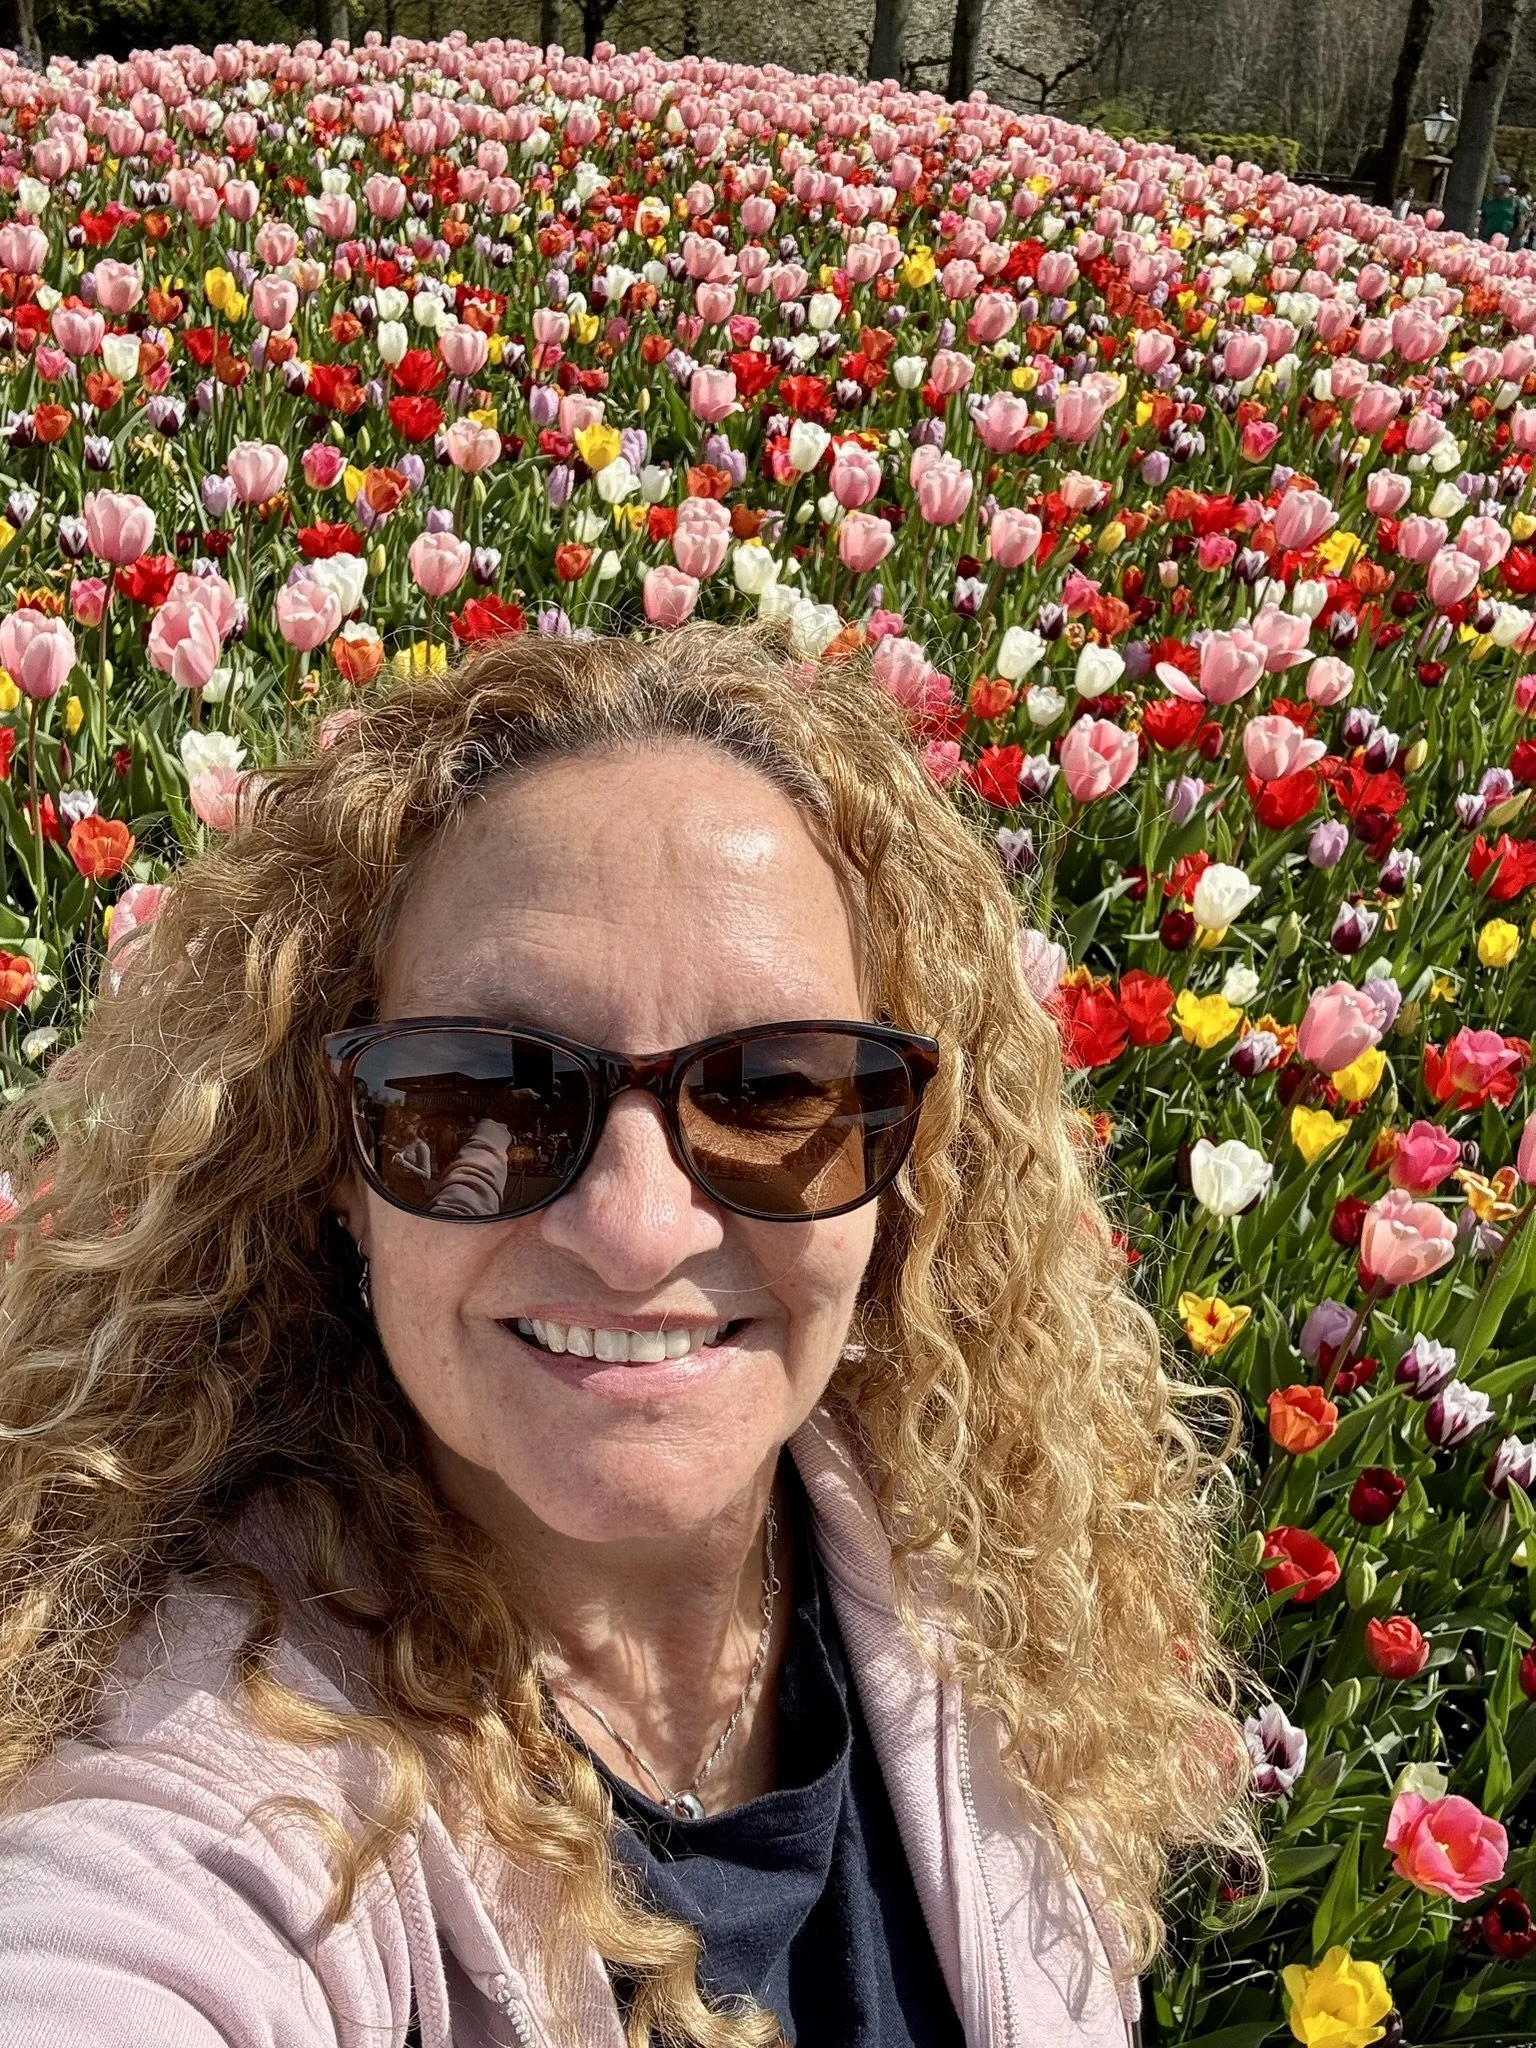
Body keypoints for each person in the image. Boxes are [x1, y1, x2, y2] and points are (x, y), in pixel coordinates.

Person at [0, 621, 1262, 2047]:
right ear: (332, 1167)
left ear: (911, 1174)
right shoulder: (212, 1805)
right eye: (481, 1087)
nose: (637, 1227)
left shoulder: (977, 1587)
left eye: (779, 1086)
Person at [1481, 169, 1519, 244]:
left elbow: (1520, 223)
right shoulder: (1489, 203)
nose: (1494, 188)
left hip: (1504, 241)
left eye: (1497, 185)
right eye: (1494, 186)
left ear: (1505, 186)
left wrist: (1513, 240)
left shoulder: (1515, 203)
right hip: (1486, 239)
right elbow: (1482, 220)